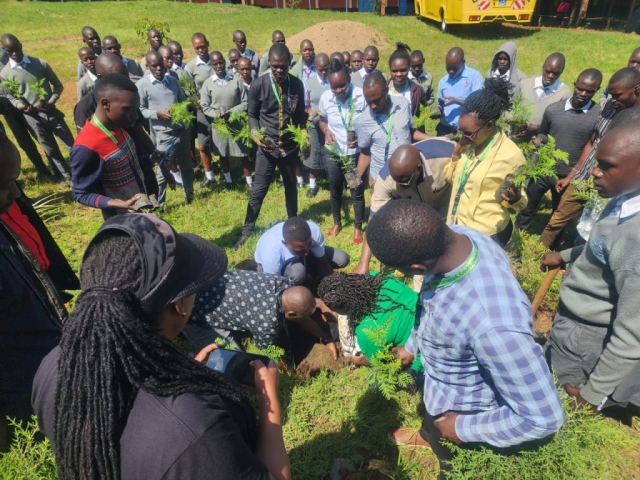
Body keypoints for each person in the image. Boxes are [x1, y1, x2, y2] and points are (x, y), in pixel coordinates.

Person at [32, 213, 291, 480]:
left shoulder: (52, 366)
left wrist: (181, 370)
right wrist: (270, 403)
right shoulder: (197, 431)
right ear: (179, 306)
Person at [366, 200, 564, 479]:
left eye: (400, 270)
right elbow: (429, 305)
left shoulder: (493, 325)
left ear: (418, 267)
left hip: (464, 410)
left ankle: (443, 452)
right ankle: (429, 434)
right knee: (434, 425)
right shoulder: (457, 237)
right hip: (440, 389)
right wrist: (412, 345)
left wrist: (462, 428)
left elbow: (543, 418)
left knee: (451, 464)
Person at [542, 118, 640, 416]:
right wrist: (567, 254)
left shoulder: (635, 236)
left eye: (607, 165)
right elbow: (603, 246)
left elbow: (632, 334)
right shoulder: (623, 198)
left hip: (584, 336)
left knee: (557, 402)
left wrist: (591, 395)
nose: (595, 172)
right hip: (573, 323)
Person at [0, 133, 67, 452]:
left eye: (15, 180)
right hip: (23, 398)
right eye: (3, 184)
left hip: (51, 368)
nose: (15, 193)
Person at [538, 66, 640, 249]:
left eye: (617, 95)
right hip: (584, 176)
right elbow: (592, 142)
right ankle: (537, 254)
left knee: (596, 230)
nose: (612, 99)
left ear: (637, 90)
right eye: (611, 95)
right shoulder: (610, 107)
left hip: (613, 188)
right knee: (558, 218)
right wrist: (572, 175)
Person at [232, 43, 307, 250]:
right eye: (275, 66)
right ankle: (247, 231)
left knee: (291, 188)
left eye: (283, 66)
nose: (279, 71)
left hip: (290, 148)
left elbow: (300, 115)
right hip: (267, 149)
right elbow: (252, 115)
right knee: (258, 191)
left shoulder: (298, 85)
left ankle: (293, 226)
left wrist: (304, 135)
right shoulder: (258, 85)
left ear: (289, 63)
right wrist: (256, 134)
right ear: (270, 64)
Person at [515, 69, 602, 232]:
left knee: (558, 213)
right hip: (543, 169)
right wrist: (539, 139)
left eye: (589, 91)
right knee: (527, 206)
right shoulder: (553, 109)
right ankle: (519, 235)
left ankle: (550, 244)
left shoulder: (598, 116)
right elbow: (544, 132)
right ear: (575, 84)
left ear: (597, 90)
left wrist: (573, 175)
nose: (583, 93)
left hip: (569, 175)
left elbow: (592, 146)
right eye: (580, 88)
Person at [444, 78, 527, 246]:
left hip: (485, 236)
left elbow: (521, 202)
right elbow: (450, 179)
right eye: (461, 131)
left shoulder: (511, 155)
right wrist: (456, 152)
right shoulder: (468, 144)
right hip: (457, 226)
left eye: (468, 133)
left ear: (489, 125)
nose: (463, 136)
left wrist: (514, 198)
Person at [354, 142, 455, 277]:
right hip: (419, 221)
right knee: (425, 265)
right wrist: (363, 262)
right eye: (397, 182)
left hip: (449, 211)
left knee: (452, 258)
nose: (400, 186)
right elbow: (374, 221)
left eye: (405, 182)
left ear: (418, 169)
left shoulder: (444, 157)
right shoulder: (386, 178)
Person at [317, 272, 423, 380]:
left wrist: (356, 359)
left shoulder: (366, 331)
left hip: (422, 357)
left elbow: (386, 361)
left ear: (343, 310)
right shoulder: (379, 278)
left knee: (373, 380)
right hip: (428, 319)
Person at [71, 73, 149, 217]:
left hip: (138, 209)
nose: (136, 116)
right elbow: (81, 194)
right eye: (129, 109)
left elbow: (120, 163)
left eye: (136, 109)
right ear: (106, 104)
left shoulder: (118, 126)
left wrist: (149, 159)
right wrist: (122, 204)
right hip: (121, 218)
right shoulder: (86, 146)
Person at [1, 33, 74, 185]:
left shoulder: (39, 63)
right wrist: (21, 106)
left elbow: (58, 85)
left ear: (21, 45)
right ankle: (67, 176)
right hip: (32, 118)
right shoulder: (5, 74)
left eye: (17, 49)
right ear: (4, 51)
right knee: (50, 149)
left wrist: (52, 101)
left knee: (70, 144)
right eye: (10, 51)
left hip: (51, 112)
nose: (15, 54)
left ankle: (82, 170)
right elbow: (11, 97)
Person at [184, 270, 316, 349]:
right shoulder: (267, 322)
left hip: (202, 282)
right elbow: (265, 351)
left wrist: (326, 338)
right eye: (301, 317)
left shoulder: (280, 281)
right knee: (232, 356)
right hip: (190, 313)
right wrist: (282, 359)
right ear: (291, 313)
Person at [318, 58, 366, 242]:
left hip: (353, 156)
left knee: (355, 190)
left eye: (342, 86)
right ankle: (337, 222)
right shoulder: (325, 98)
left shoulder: (361, 96)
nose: (338, 91)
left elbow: (370, 121)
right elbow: (321, 119)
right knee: (335, 189)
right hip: (334, 153)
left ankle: (357, 226)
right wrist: (326, 130)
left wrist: (361, 138)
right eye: (334, 87)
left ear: (349, 80)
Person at [137, 51, 194, 206]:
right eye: (154, 66)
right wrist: (158, 113)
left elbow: (183, 100)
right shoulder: (142, 85)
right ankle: (158, 205)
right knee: (163, 170)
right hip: (164, 134)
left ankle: (190, 196)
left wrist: (183, 108)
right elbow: (140, 110)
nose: (158, 69)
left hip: (182, 130)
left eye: (160, 65)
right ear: (148, 66)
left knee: (187, 166)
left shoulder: (172, 80)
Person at [354, 72, 428, 185]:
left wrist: (434, 139)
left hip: (409, 172)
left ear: (386, 90)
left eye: (377, 100)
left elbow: (409, 131)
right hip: (382, 177)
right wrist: (357, 175)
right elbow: (365, 152)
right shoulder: (363, 121)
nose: (373, 105)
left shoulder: (403, 104)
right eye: (369, 101)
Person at [200, 51, 251, 190]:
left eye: (221, 62)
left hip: (236, 123)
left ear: (224, 62)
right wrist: (217, 114)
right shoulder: (208, 84)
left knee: (242, 153)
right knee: (223, 154)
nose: (219, 66)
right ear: (211, 64)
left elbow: (245, 102)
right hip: (220, 126)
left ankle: (249, 181)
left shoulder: (235, 80)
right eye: (215, 64)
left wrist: (232, 112)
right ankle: (229, 181)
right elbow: (204, 106)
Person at [254, 216, 350, 286]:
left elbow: (322, 260)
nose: (307, 252)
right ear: (285, 244)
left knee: (342, 258)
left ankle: (310, 274)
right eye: (300, 250)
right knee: (298, 273)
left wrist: (333, 286)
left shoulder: (314, 231)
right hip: (275, 269)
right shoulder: (271, 255)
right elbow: (274, 287)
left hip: (295, 256)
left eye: (309, 245)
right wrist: (314, 301)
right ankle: (302, 279)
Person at [513, 53, 572, 141]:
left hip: (540, 144)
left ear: (562, 71)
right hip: (515, 137)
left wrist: (537, 128)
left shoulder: (565, 94)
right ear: (543, 67)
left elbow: (560, 125)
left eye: (555, 73)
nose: (550, 76)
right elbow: (511, 107)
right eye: (547, 71)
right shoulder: (524, 84)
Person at [185, 33, 217, 188]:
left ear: (208, 44)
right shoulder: (190, 67)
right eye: (197, 47)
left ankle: (227, 171)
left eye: (203, 46)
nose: (201, 50)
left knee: (219, 141)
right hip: (202, 111)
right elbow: (189, 91)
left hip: (218, 108)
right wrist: (200, 104)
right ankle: (209, 176)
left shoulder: (216, 61)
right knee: (203, 145)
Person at [435, 47, 484, 136]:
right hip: (445, 129)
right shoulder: (443, 81)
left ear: (463, 62)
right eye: (448, 67)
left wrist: (456, 101)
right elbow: (439, 104)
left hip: (465, 132)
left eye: (455, 68)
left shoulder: (474, 77)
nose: (451, 71)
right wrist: (438, 111)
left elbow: (478, 104)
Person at [303, 53, 330, 198]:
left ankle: (331, 181)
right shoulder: (309, 82)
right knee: (314, 153)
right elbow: (306, 104)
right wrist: (310, 113)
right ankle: (312, 186)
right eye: (320, 70)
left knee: (329, 152)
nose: (324, 72)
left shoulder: (332, 81)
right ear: (316, 68)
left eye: (326, 69)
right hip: (313, 123)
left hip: (328, 124)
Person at [388, 43, 425, 117]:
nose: (399, 74)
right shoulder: (383, 90)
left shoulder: (418, 91)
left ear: (409, 68)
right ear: (390, 70)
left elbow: (421, 117)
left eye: (403, 70)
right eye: (395, 71)